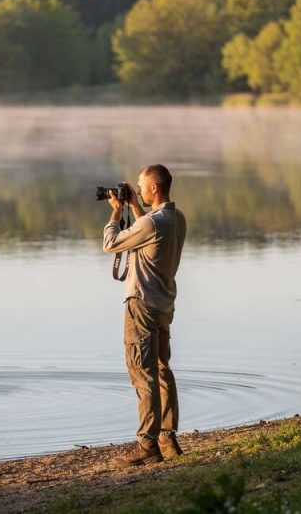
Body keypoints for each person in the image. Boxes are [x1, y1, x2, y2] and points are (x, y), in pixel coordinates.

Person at [102, 164, 187, 469]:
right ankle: (167, 438)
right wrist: (136, 208)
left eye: (140, 186)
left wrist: (115, 214)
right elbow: (150, 234)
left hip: (141, 305)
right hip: (164, 305)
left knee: (143, 373)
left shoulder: (152, 223)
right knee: (163, 370)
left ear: (154, 188)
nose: (136, 190)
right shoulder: (176, 219)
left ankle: (146, 445)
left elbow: (110, 244)